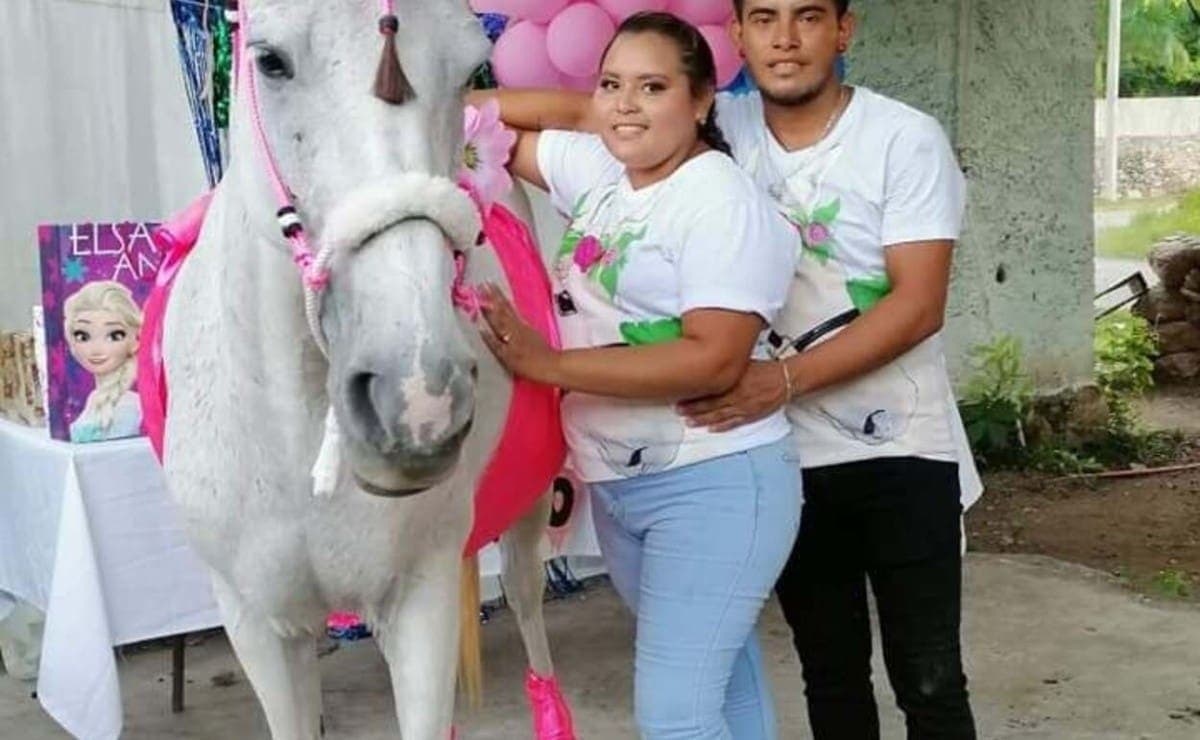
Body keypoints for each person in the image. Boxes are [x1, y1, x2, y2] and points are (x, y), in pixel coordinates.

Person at [478, 2, 983, 738]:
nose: (784, 37)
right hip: (782, 445)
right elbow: (582, 111)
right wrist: (439, 110)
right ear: (738, 37)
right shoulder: (725, 128)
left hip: (896, 444)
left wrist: (780, 381)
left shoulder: (901, 139)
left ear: (844, 31)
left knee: (928, 678)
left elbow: (918, 305)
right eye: (765, 18)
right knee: (831, 676)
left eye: (807, 16)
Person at [473, 12, 800, 739]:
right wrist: (423, 107)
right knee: (725, 684)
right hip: (622, 482)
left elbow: (712, 355)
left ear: (702, 100)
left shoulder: (719, 200)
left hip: (713, 482)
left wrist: (547, 364)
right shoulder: (604, 176)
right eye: (611, 86)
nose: (625, 104)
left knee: (676, 717)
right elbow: (487, 127)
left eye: (653, 87)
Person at [63, 280, 143, 443]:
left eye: (114, 336)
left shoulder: (129, 406)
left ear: (135, 340)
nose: (96, 349)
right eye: (82, 336)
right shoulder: (95, 398)